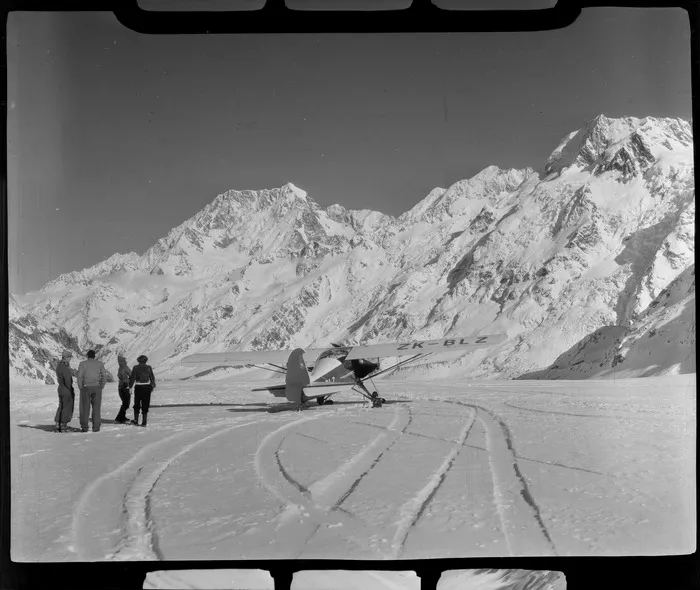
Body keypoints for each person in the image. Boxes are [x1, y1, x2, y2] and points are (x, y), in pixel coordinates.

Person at [77, 350, 107, 433]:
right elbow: (104, 376)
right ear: (95, 356)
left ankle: (84, 427)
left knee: (84, 408)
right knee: (96, 408)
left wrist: (80, 387)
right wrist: (101, 386)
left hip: (86, 387)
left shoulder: (83, 364)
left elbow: (79, 376)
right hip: (97, 387)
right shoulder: (100, 364)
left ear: (87, 356)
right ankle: (96, 427)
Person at [129, 355, 156, 427]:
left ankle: (136, 420)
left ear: (138, 360)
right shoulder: (149, 367)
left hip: (138, 387)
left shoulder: (135, 367)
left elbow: (132, 378)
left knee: (137, 403)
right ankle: (144, 422)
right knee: (145, 404)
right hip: (147, 387)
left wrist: (130, 386)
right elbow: (152, 377)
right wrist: (152, 385)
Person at [54, 350, 75, 432]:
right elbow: (67, 380)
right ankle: (63, 425)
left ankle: (57, 424)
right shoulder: (65, 367)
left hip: (60, 388)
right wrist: (70, 388)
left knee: (61, 406)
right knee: (67, 407)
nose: (70, 359)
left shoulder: (59, 366)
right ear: (66, 357)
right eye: (69, 357)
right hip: (66, 389)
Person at [114, 355, 132, 424]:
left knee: (124, 402)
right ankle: (119, 418)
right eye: (125, 359)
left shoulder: (120, 368)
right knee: (126, 403)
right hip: (125, 386)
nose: (126, 361)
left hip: (120, 387)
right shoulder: (125, 367)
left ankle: (122, 417)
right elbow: (131, 374)